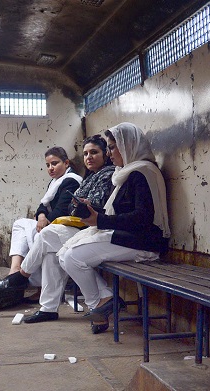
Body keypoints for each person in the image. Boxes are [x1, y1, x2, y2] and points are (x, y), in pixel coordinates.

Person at [58, 123, 170, 334]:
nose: (109, 154)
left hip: (144, 241)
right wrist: (93, 210)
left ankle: (101, 305)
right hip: (127, 236)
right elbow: (118, 212)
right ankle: (105, 302)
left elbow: (143, 218)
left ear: (128, 146)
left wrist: (100, 220)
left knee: (73, 257)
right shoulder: (124, 173)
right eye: (108, 148)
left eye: (112, 148)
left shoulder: (142, 173)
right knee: (63, 254)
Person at [0, 135, 115, 323]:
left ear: (105, 154)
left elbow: (80, 207)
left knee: (48, 234)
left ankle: (22, 275)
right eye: (85, 154)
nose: (89, 157)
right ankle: (48, 308)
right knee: (52, 252)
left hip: (95, 228)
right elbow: (51, 207)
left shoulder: (106, 174)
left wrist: (79, 206)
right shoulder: (89, 177)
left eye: (94, 152)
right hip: (81, 226)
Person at [5, 146, 82, 284]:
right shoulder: (55, 182)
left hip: (66, 227)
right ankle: (15, 269)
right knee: (20, 225)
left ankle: (27, 278)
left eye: (55, 163)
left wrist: (45, 220)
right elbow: (43, 205)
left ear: (66, 163)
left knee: (36, 235)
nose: (50, 168)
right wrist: (41, 216)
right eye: (47, 165)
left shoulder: (72, 181)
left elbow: (62, 210)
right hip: (52, 223)